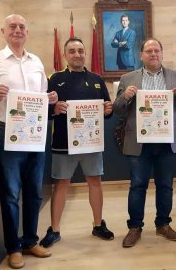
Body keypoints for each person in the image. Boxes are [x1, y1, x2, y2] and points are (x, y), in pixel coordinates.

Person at [0, 14, 58, 269]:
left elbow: (41, 96)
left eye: (22, 26)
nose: (18, 30)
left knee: (34, 192)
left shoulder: (36, 62)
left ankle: (31, 241)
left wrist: (50, 98)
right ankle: (13, 248)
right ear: (4, 31)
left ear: (27, 32)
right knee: (11, 193)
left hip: (35, 132)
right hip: (7, 132)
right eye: (12, 26)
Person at [113, 38, 176, 248]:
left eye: (156, 50)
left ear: (162, 53)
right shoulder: (128, 78)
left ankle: (163, 224)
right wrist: (126, 97)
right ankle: (135, 227)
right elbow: (118, 109)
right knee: (137, 185)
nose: (153, 54)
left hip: (167, 141)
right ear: (141, 55)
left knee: (165, 185)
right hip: (139, 141)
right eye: (148, 51)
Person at [39, 38, 114, 248]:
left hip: (91, 143)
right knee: (61, 185)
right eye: (72, 51)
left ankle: (98, 224)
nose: (77, 54)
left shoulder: (97, 79)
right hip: (63, 143)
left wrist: (108, 111)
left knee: (95, 182)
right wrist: (53, 110)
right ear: (65, 55)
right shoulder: (54, 79)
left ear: (85, 53)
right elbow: (44, 110)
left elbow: (105, 109)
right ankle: (54, 229)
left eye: (80, 50)